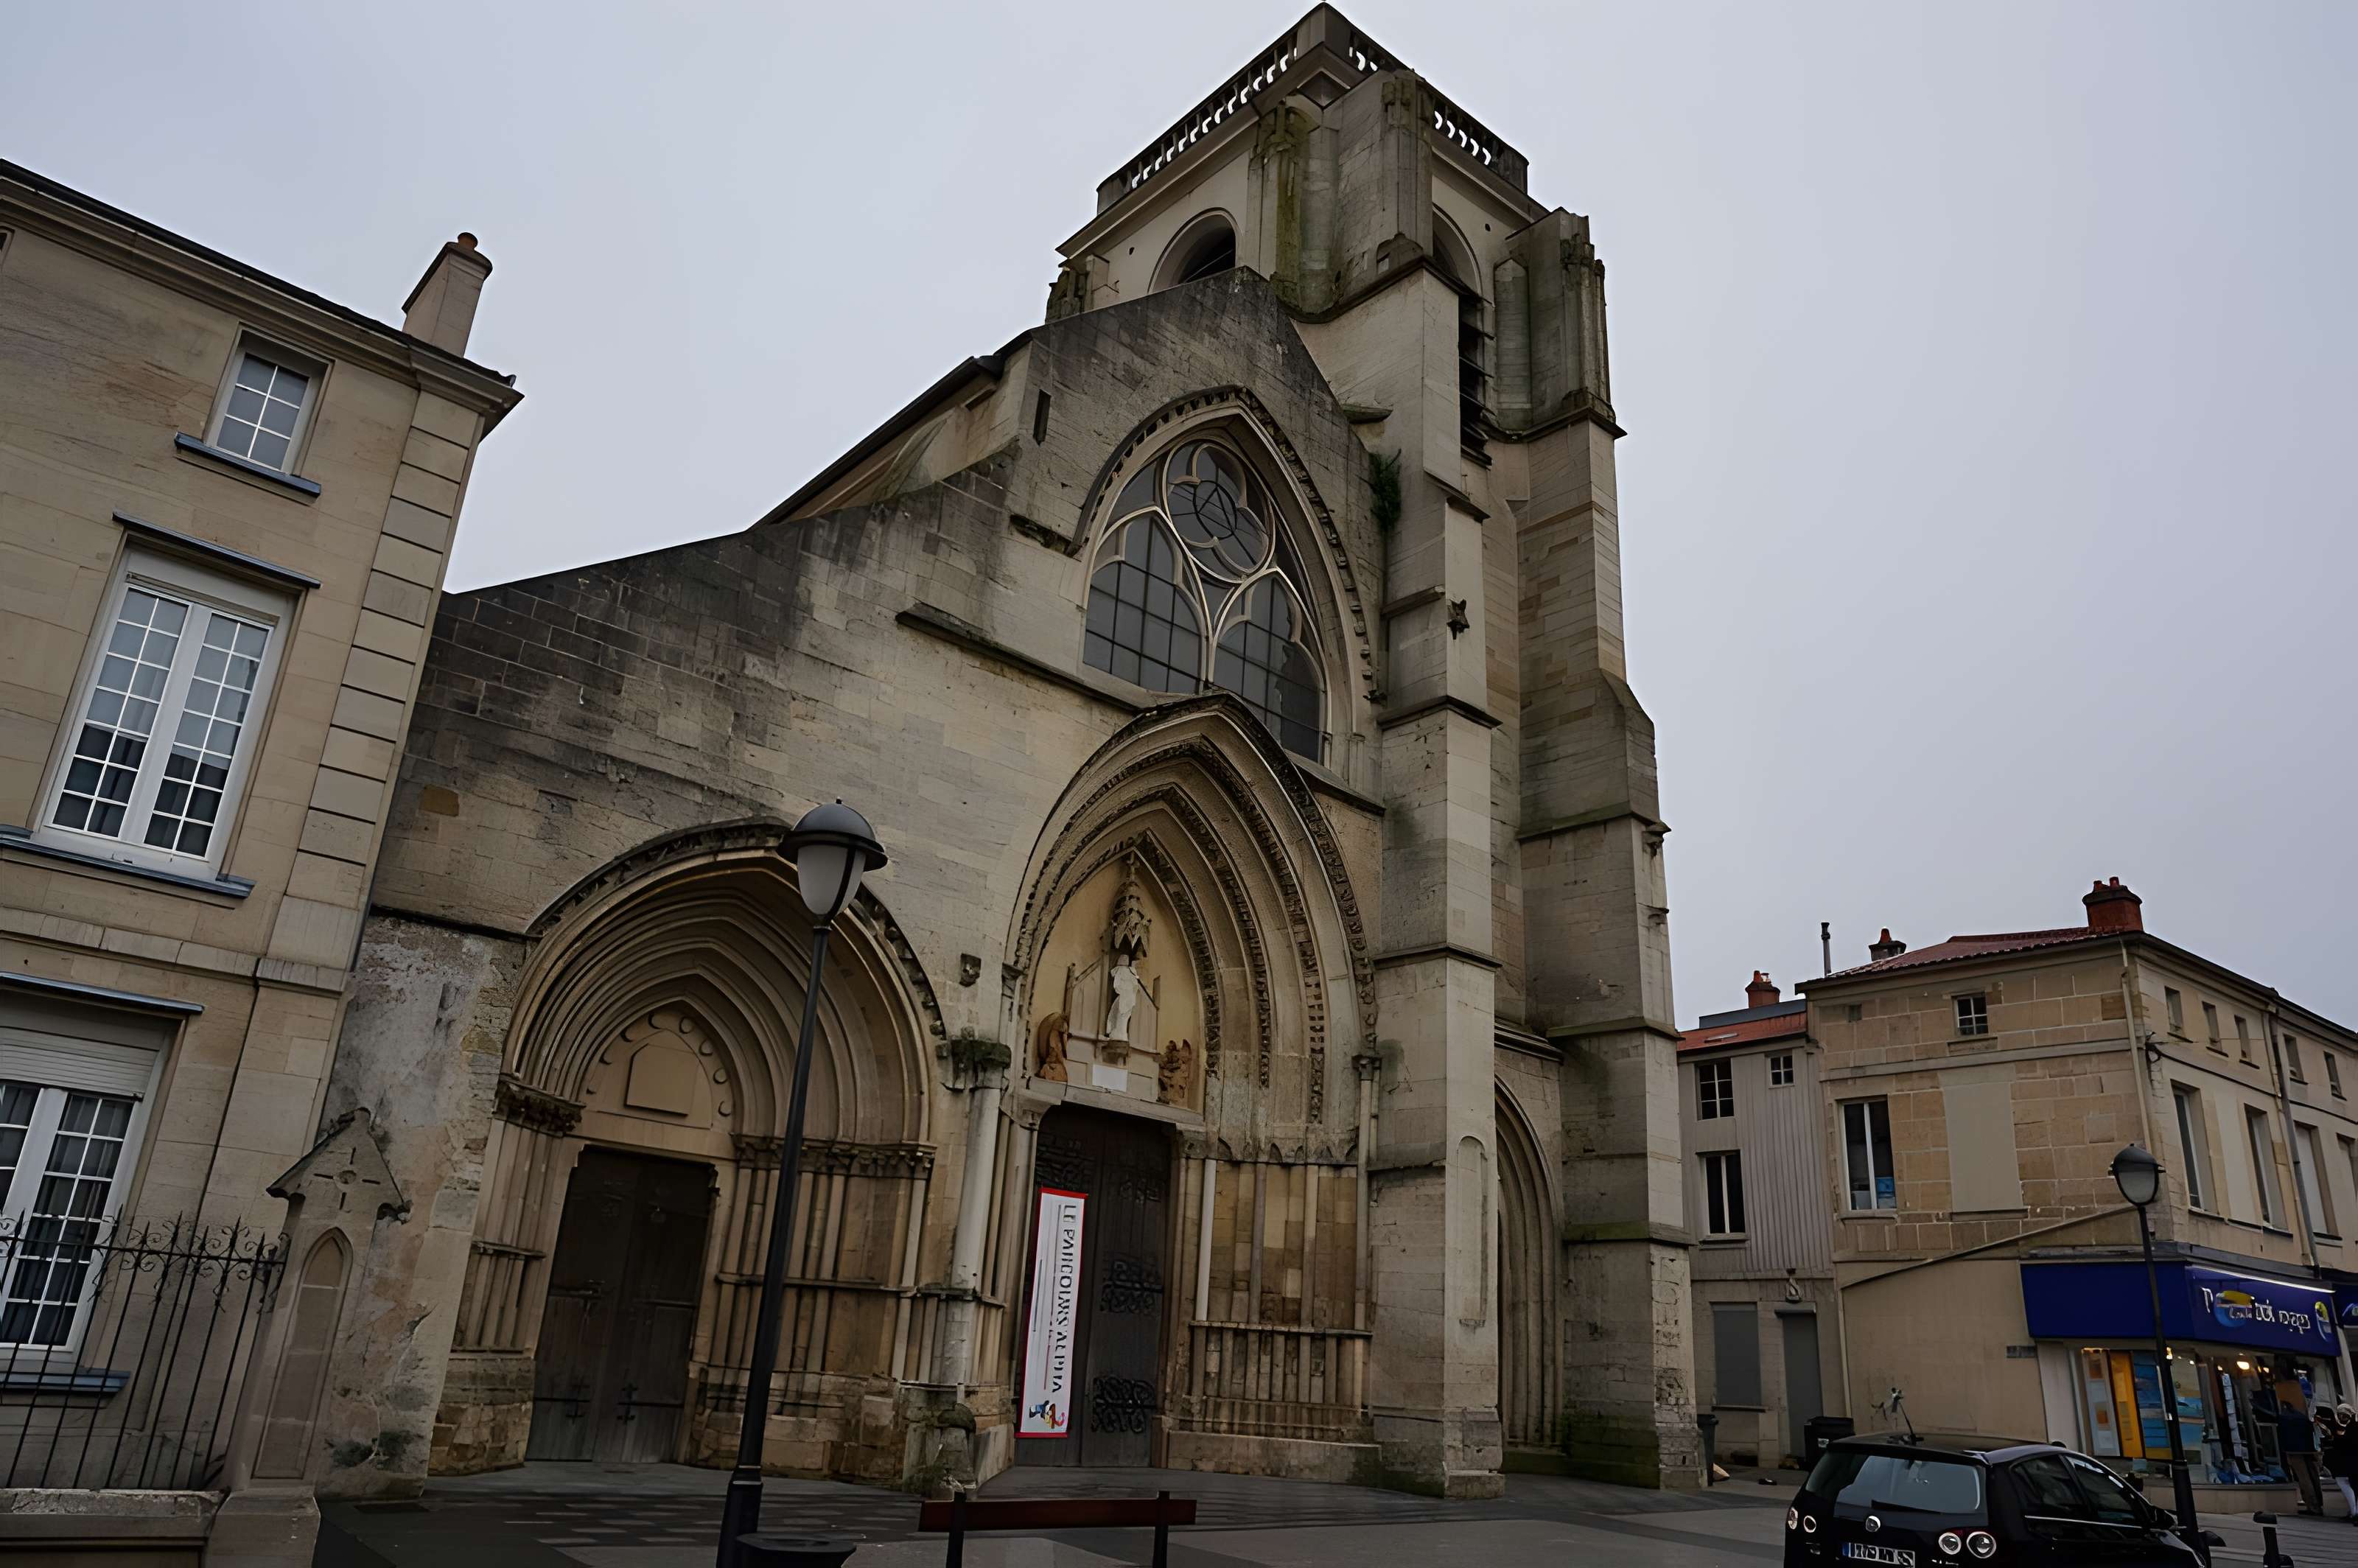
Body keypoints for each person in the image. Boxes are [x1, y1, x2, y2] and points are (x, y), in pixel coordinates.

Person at [2281, 1376, 2324, 1515]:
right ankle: (2317, 1503)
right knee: (2312, 1473)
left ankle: (2313, 1505)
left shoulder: (2286, 1415)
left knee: (2304, 1476)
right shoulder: (2305, 1409)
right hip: (2308, 1445)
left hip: (2295, 1447)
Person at [2326, 1404, 2358, 1522]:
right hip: (2349, 1461)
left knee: (2346, 1485)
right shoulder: (2351, 1426)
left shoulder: (2347, 1428)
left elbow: (2344, 1444)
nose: (2340, 1417)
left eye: (2342, 1415)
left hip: (2347, 1462)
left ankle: (2354, 1512)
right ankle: (2353, 1512)